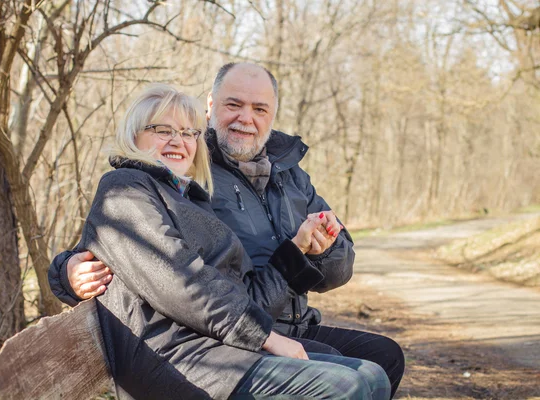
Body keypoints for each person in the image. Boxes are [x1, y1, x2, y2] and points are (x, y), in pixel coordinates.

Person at [52, 63, 405, 397]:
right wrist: (66, 270)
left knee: (374, 367)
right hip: (198, 344)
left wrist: (320, 249)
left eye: (259, 109)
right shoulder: (143, 184)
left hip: (242, 327)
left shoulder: (258, 181)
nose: (245, 119)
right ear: (211, 106)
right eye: (162, 130)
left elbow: (336, 266)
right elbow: (162, 268)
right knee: (346, 383)